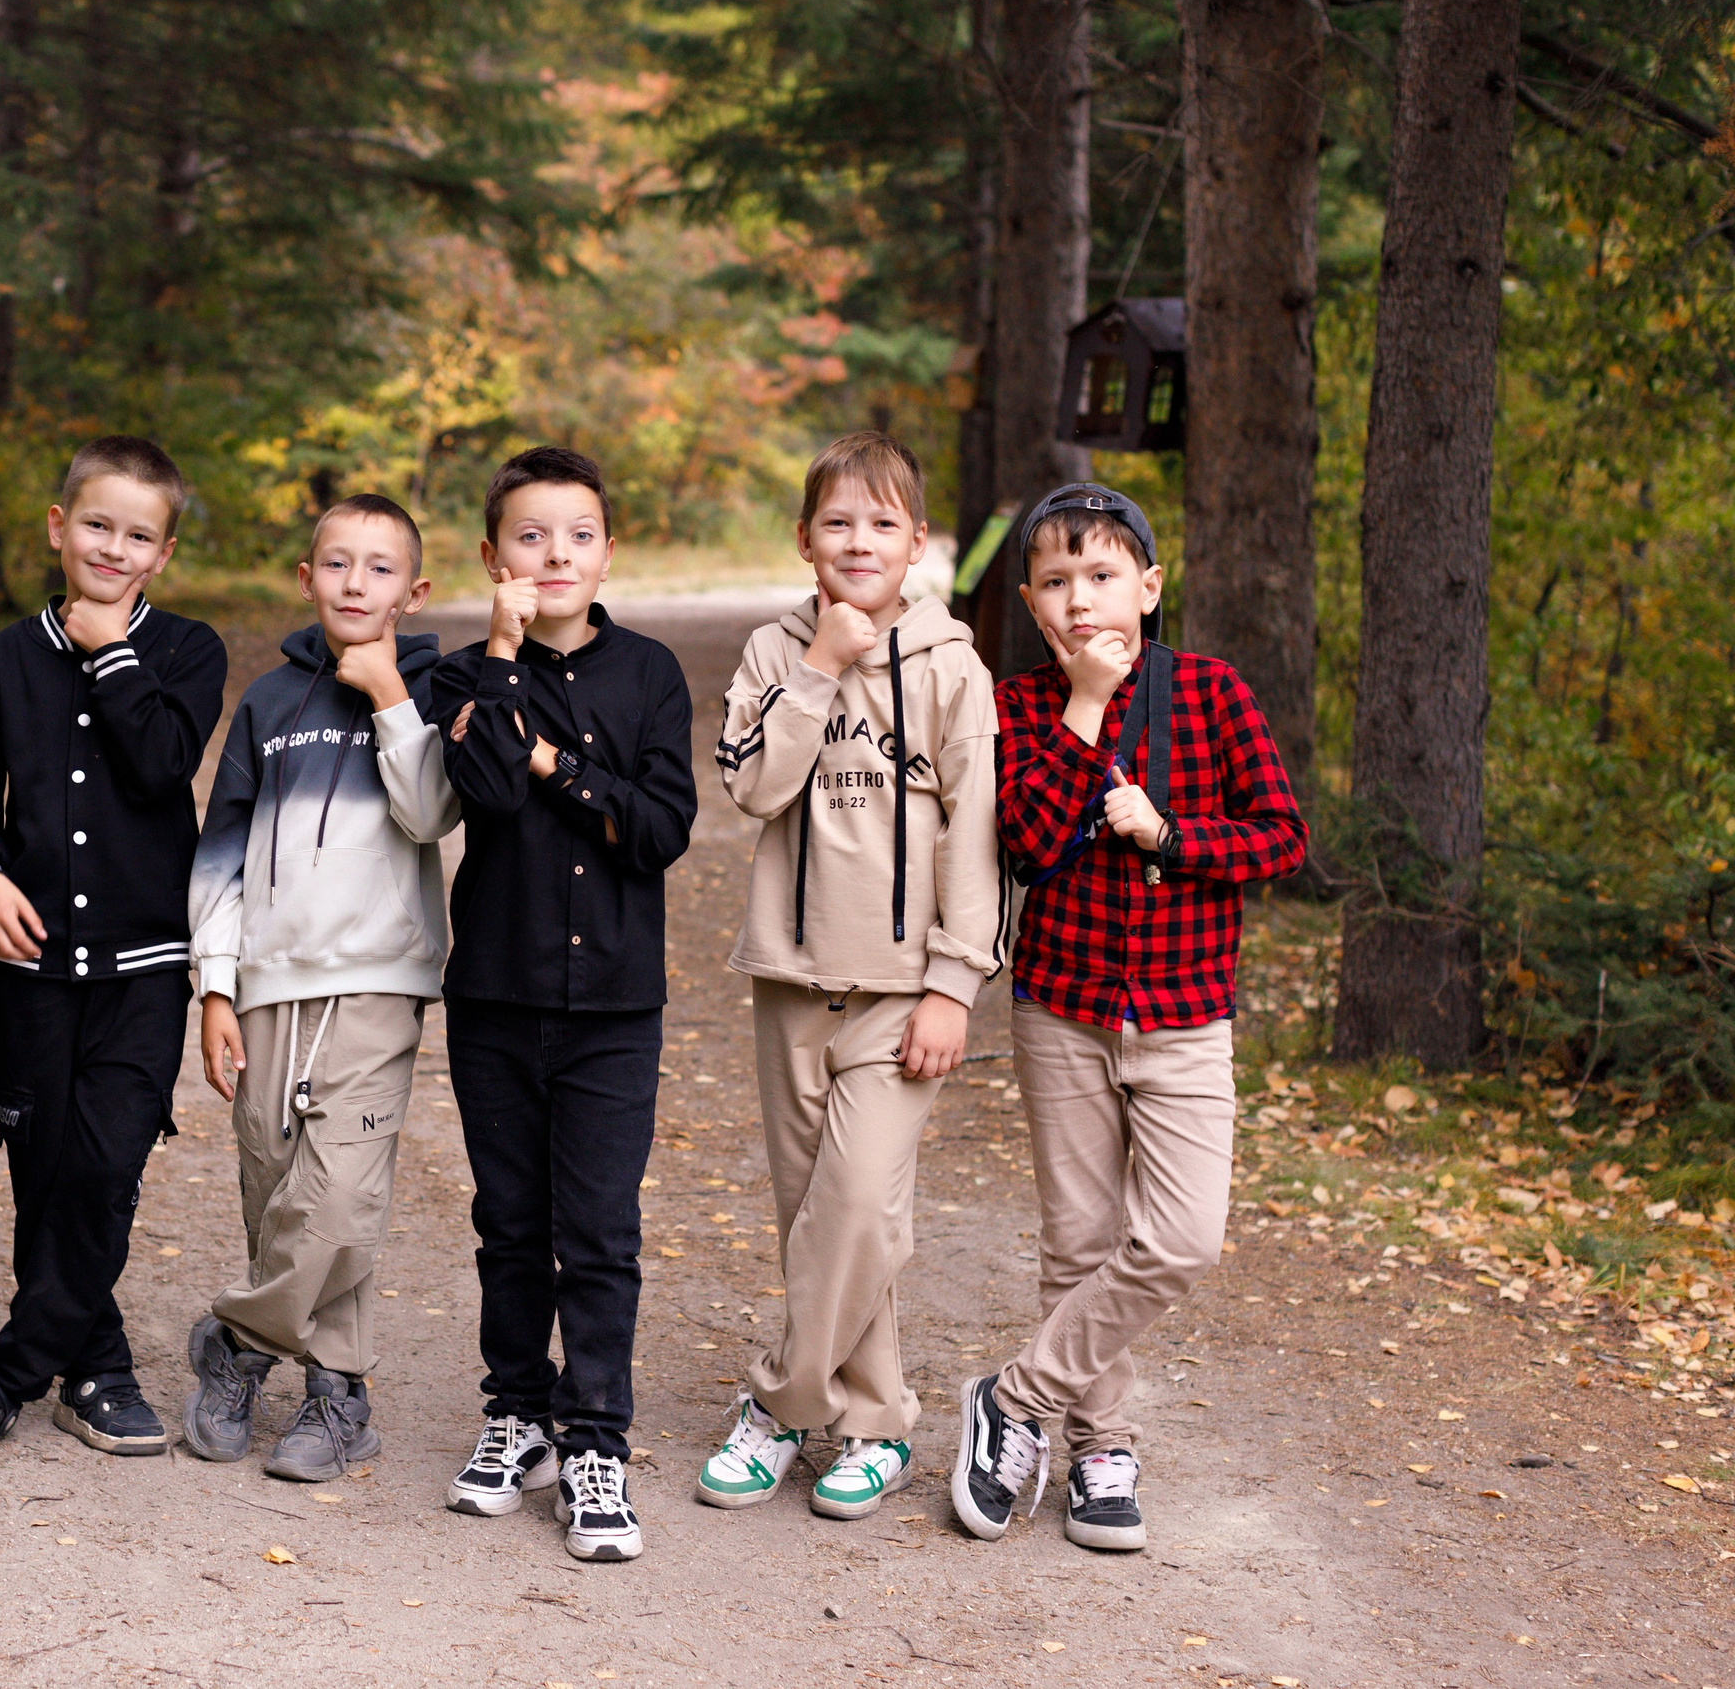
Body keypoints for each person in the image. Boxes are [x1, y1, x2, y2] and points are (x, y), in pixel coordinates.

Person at [952, 483, 1305, 1552]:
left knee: (1182, 1235)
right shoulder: (1018, 706)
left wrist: (1167, 835)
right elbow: (1025, 835)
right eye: (1054, 582)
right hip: (1062, 1008)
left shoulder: (1209, 691)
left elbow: (1280, 837)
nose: (1079, 600)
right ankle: (1102, 1443)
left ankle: (1013, 1398)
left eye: (1101, 575)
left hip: (1185, 1012)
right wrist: (1086, 708)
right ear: (1027, 599)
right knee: (1078, 1239)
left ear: (1149, 587)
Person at [697, 432, 1001, 1518]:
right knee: (821, 1215)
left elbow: (978, 840)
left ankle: (780, 1407)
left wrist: (955, 983)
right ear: (805, 539)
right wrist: (820, 666)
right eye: (838, 522)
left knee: (862, 1197)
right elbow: (753, 786)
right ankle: (870, 1419)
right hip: (789, 977)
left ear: (917, 541)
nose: (859, 541)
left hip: (901, 990)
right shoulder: (774, 652)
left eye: (882, 523)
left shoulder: (954, 668)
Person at [0, 436, 228, 1461]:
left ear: (163, 553)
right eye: (96, 523)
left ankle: (7, 1370)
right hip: (34, 968)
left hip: (142, 967)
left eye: (139, 535)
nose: (113, 546)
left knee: (108, 1162)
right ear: (59, 527)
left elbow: (161, 761)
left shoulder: (185, 652)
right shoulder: (2, 661)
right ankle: (96, 1365)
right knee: (46, 1167)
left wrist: (112, 650)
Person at [425, 446, 697, 1562]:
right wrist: (498, 660)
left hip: (613, 1009)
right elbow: (476, 789)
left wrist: (555, 764)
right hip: (494, 990)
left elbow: (660, 829)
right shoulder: (457, 676)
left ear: (606, 549)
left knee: (596, 1230)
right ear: (493, 557)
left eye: (576, 534)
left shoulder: (652, 673)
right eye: (530, 537)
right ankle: (516, 1414)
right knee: (509, 1222)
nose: (555, 555)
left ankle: (595, 1438)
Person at [180, 492, 462, 1481]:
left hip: (378, 977)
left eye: (379, 567)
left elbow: (431, 814)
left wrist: (390, 695)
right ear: (306, 580)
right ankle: (339, 1394)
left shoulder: (433, 689)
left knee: (339, 1190)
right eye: (336, 563)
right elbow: (218, 851)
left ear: (414, 590)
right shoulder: (266, 701)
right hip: (265, 979)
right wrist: (215, 983)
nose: (355, 582)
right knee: (274, 1180)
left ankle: (240, 1340)